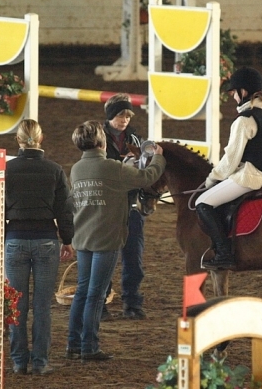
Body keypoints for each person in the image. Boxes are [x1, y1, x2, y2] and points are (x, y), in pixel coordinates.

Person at [66, 120, 165, 363]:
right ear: (101, 142)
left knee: (82, 292)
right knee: (96, 295)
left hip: (83, 237)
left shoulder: (76, 169)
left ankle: (73, 344)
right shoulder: (112, 168)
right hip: (106, 238)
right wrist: (159, 158)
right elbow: (147, 176)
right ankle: (89, 346)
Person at [4, 119, 75, 376]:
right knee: (43, 306)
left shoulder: (6, 169)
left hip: (15, 240)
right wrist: (67, 240)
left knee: (16, 305)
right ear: (41, 139)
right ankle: (41, 362)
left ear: (18, 140)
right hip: (46, 239)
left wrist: (3, 236)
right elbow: (65, 210)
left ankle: (19, 361)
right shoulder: (54, 170)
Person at [196, 67, 262, 270]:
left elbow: (230, 160)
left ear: (243, 92)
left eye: (233, 93)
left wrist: (212, 179)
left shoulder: (244, 120)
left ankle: (224, 253)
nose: (233, 97)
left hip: (253, 178)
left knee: (202, 202)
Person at [102, 93, 147, 320]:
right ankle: (101, 302)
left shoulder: (135, 138)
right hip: (107, 206)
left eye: (128, 116)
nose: (125, 120)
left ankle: (132, 303)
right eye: (121, 115)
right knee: (105, 256)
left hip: (130, 204)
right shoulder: (96, 137)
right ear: (111, 116)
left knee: (133, 257)